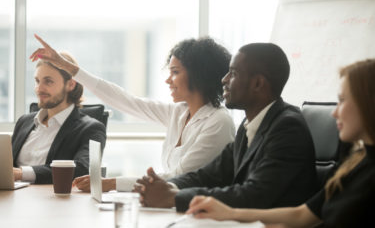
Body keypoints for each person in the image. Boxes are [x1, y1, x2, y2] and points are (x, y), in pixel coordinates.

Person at [30, 34, 236, 192]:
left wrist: (112, 183)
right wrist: (68, 67)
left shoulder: (218, 122)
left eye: (175, 72)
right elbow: (125, 101)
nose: (168, 80)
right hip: (171, 206)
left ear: (199, 75)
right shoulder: (179, 113)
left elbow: (179, 178)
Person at [186, 59, 375, 227]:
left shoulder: (287, 126)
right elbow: (302, 215)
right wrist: (229, 213)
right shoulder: (355, 163)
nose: (334, 112)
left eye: (342, 101)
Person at [133, 43, 317, 212]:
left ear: (258, 84)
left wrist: (175, 197)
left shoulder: (287, 128)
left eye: (234, 73)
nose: (224, 80)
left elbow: (253, 195)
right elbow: (208, 175)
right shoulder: (249, 127)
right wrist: (165, 186)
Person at [12, 52, 106, 184]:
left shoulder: (91, 129)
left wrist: (21, 173)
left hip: (53, 200)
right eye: (37, 81)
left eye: (48, 81)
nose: (39, 89)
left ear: (70, 85)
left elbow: (82, 169)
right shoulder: (24, 122)